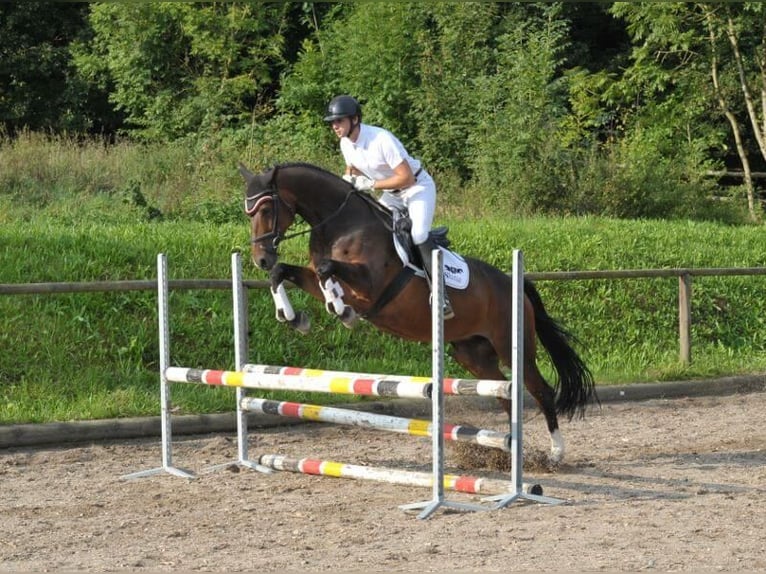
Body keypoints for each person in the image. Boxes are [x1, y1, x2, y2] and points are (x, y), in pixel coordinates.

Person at [323, 94, 454, 319]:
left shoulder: (381, 140)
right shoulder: (346, 143)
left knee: (419, 234)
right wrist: (347, 182)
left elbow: (407, 178)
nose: (335, 126)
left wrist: (371, 183)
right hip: (391, 194)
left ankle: (441, 293)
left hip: (417, 188)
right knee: (372, 229)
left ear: (354, 120)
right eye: (333, 122)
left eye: (339, 121)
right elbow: (351, 169)